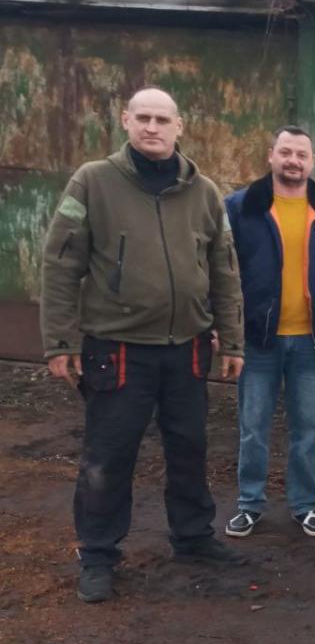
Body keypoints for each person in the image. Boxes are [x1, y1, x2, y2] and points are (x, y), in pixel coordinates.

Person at [40, 86, 247, 604]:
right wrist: (59, 341)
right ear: (125, 121)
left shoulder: (204, 192)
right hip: (117, 349)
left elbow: (224, 269)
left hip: (187, 348)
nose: (152, 127)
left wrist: (233, 341)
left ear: (180, 126)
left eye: (162, 119)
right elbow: (61, 263)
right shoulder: (93, 182)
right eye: (143, 118)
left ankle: (193, 536)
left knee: (190, 447)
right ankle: (98, 554)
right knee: (108, 456)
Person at [223, 126, 315, 540]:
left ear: (312, 162)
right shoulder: (241, 207)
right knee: (253, 427)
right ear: (271, 155)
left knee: (307, 430)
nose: (293, 161)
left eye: (301, 154)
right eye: (286, 152)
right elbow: (221, 272)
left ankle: (304, 505)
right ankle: (250, 504)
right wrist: (223, 327)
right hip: (258, 341)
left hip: (309, 342)